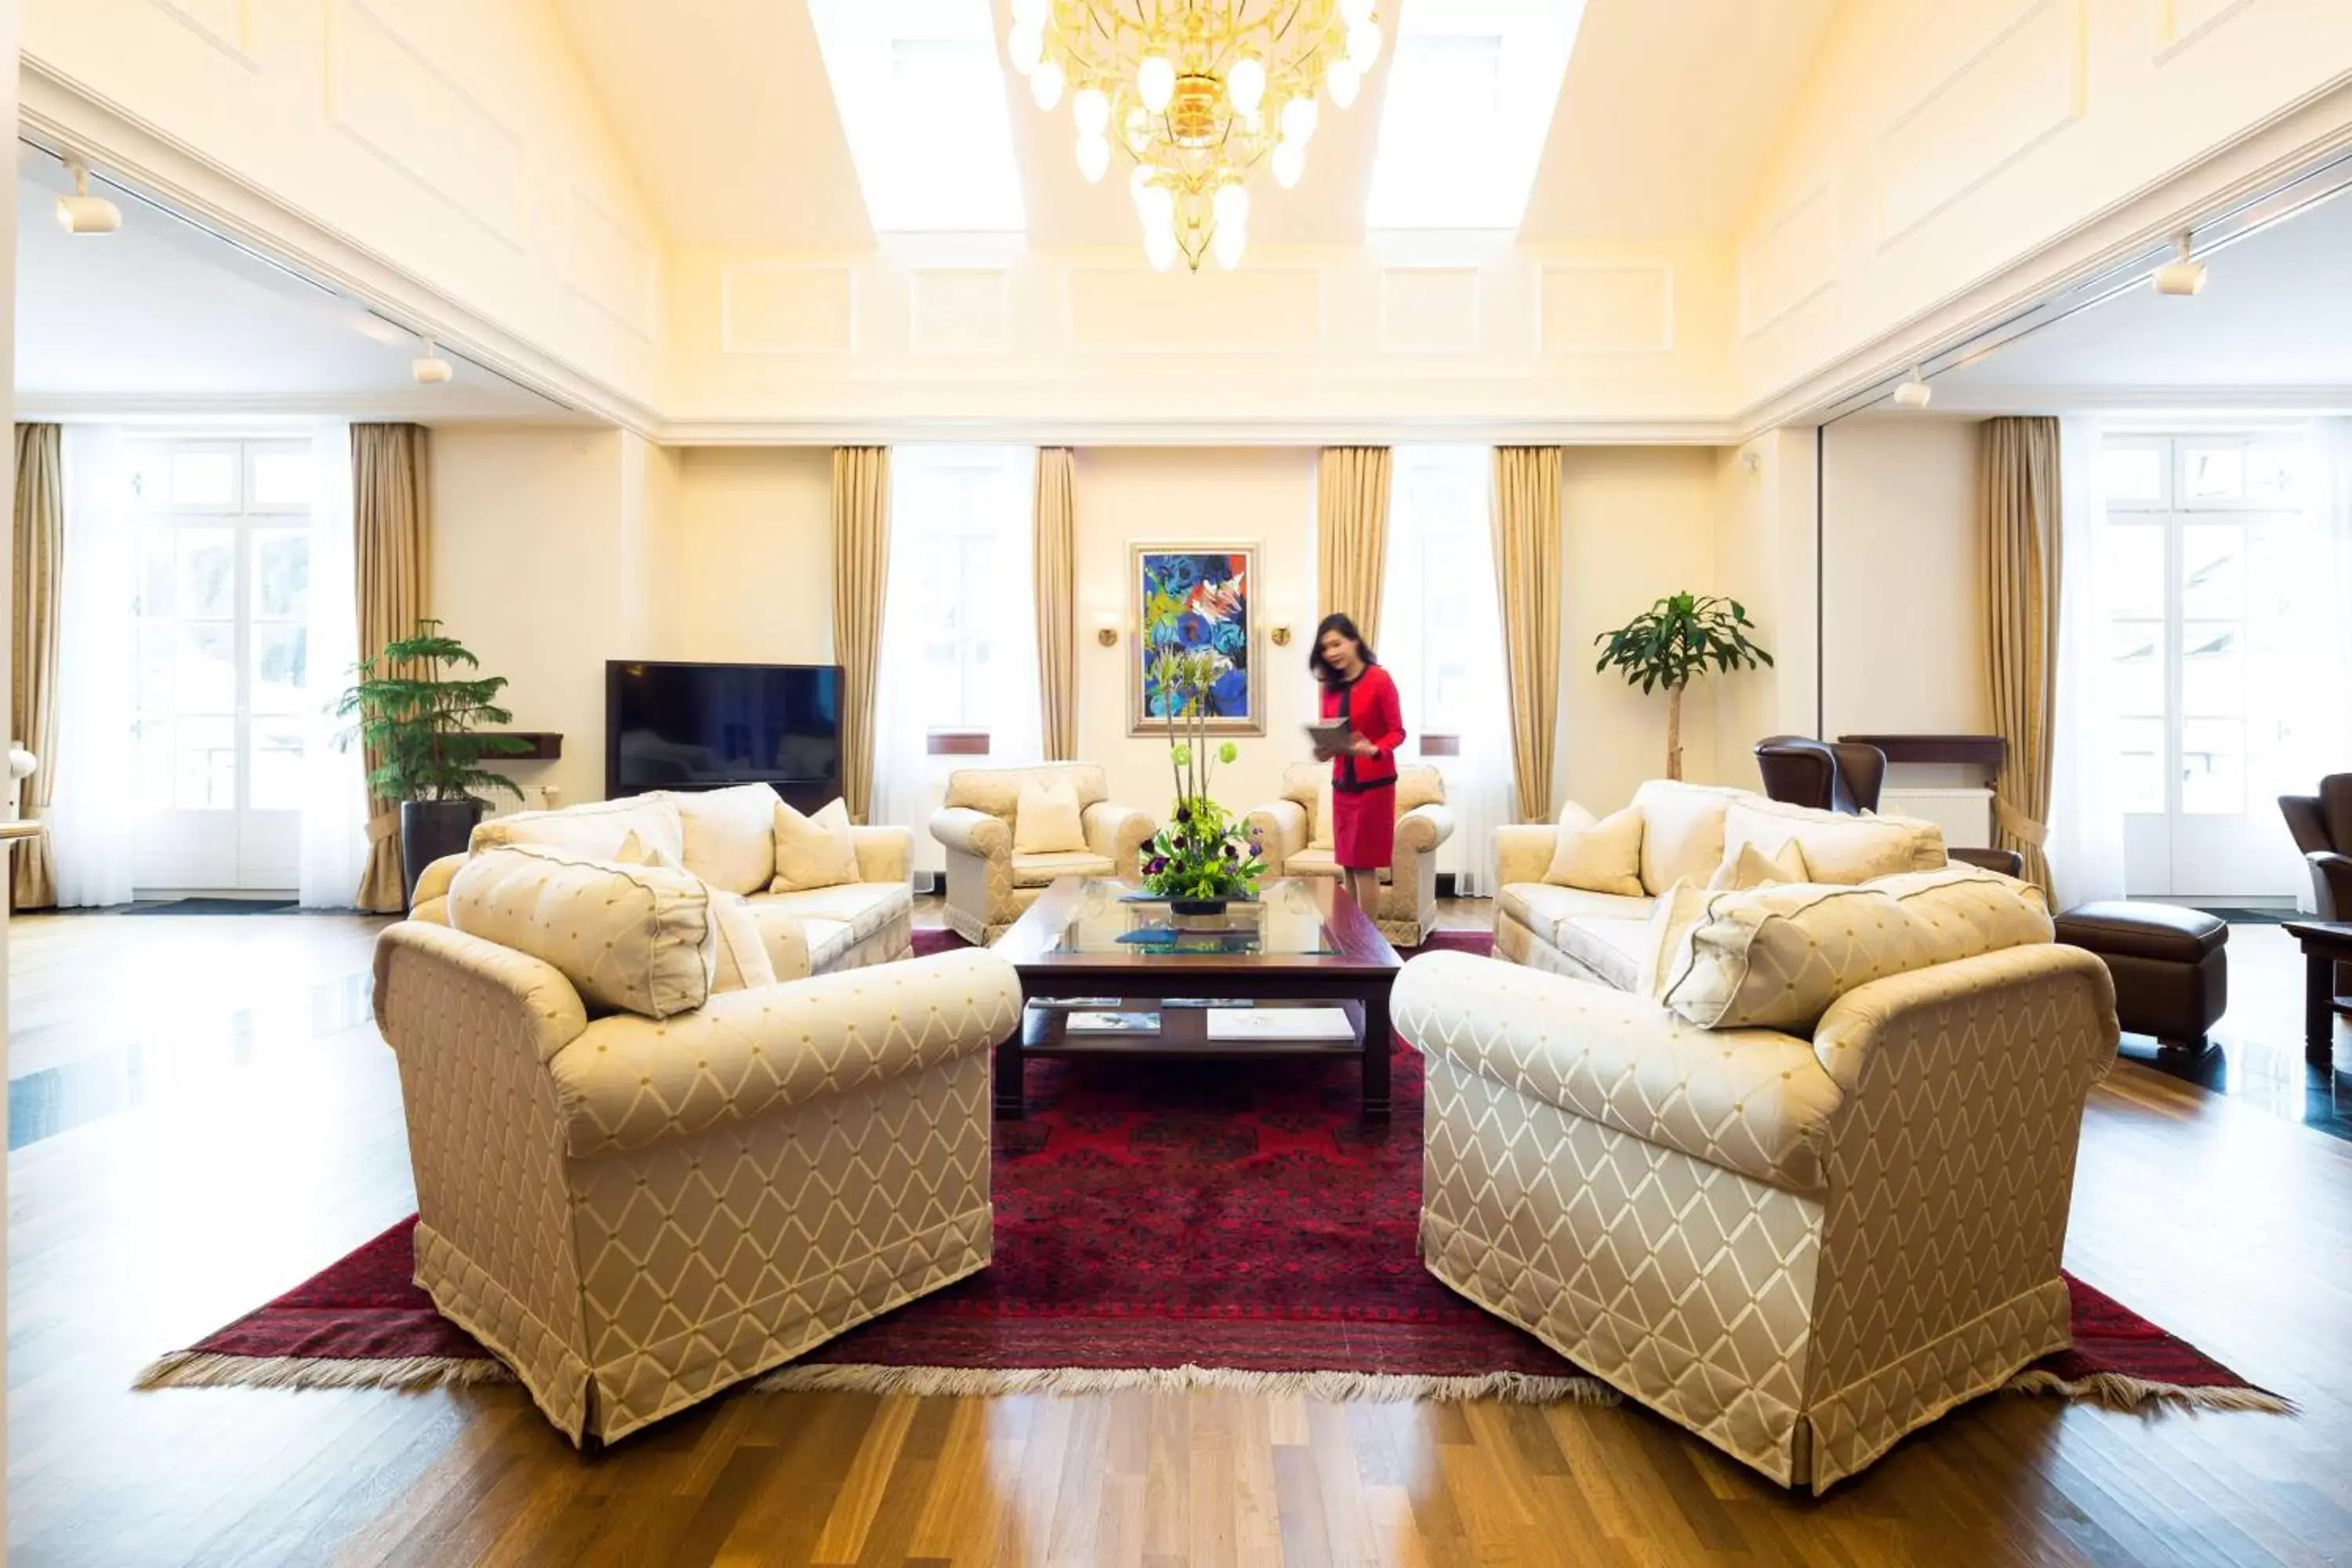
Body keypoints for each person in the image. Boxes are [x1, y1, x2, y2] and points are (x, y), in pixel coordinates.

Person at [1308, 612, 1404, 920]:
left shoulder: (1380, 679)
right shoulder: (1329, 687)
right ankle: (1351, 938)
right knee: (1347, 866)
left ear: (1354, 640)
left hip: (1374, 787)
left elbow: (1397, 732)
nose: (1331, 653)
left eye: (1337, 644)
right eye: (1325, 648)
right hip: (1343, 787)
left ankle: (1370, 945)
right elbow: (1334, 731)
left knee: (1364, 866)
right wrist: (1324, 749)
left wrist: (1374, 749)